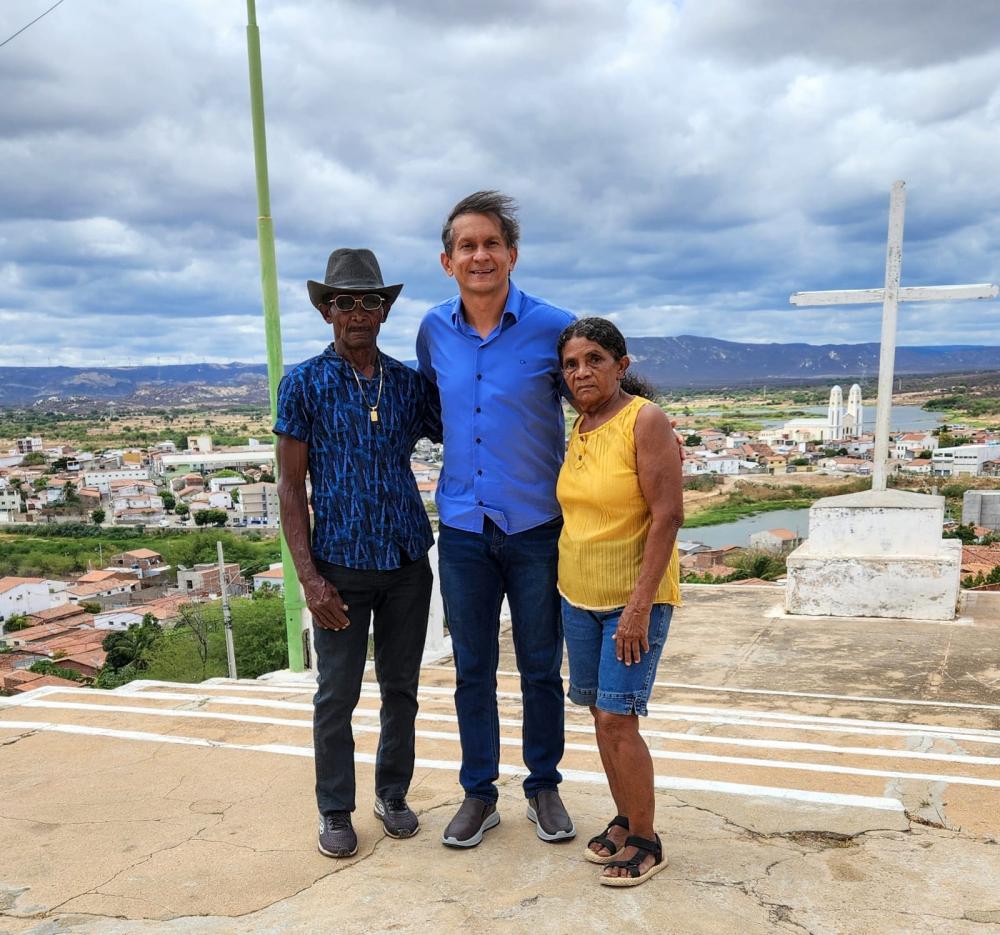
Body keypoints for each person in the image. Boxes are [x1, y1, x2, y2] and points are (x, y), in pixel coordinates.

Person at [416, 191, 577, 848]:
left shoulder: (554, 326)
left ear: (512, 253)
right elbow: (425, 407)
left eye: (490, 243)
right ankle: (479, 793)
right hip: (461, 526)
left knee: (541, 664)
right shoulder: (432, 329)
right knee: (472, 666)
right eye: (466, 245)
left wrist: (652, 432)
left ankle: (543, 784)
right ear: (447, 260)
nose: (479, 255)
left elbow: (598, 400)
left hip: (537, 525)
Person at [274, 248, 441, 858]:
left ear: (386, 310)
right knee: (335, 695)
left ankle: (392, 793)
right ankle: (335, 810)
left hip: (405, 563)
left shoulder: (406, 384)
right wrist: (310, 580)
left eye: (371, 300)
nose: (359, 313)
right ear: (326, 311)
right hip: (338, 567)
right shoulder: (303, 384)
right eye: (345, 302)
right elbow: (291, 488)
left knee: (401, 688)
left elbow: (469, 424)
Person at [555, 317, 683, 888]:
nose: (582, 371)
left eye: (595, 360)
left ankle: (647, 840)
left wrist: (638, 608)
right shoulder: (579, 427)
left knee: (618, 716)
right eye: (571, 363)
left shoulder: (645, 420)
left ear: (621, 365)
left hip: (634, 603)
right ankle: (627, 817)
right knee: (599, 717)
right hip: (577, 597)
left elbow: (668, 516)